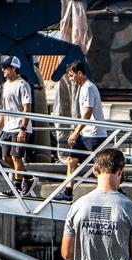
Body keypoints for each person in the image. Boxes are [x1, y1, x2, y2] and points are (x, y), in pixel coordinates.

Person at [54, 61, 106, 202]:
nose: (71, 79)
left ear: (80, 73)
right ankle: (68, 192)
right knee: (72, 160)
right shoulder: (83, 87)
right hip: (86, 134)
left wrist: (75, 132)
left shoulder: (88, 88)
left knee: (101, 166)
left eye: (72, 76)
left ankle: (113, 190)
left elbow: (87, 113)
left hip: (94, 134)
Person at [0, 56, 35, 197]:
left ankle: (16, 188)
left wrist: (23, 129)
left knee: (16, 157)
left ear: (14, 68)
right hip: (8, 127)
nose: (3, 70)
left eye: (6, 67)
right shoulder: (6, 85)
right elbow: (5, 110)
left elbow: (27, 108)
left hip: (19, 128)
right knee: (5, 157)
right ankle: (28, 178)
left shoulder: (23, 85)